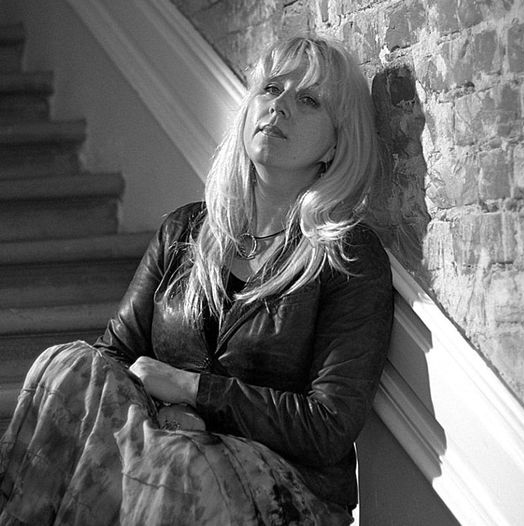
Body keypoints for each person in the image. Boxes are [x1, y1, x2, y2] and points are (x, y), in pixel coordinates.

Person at [0, 35, 393, 525]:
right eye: (271, 89)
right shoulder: (185, 230)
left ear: (335, 144)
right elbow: (114, 355)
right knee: (69, 365)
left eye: (309, 100)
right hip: (165, 448)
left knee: (181, 462)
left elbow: (327, 427)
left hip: (285, 489)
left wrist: (194, 391)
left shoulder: (348, 255)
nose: (279, 107)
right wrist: (168, 416)